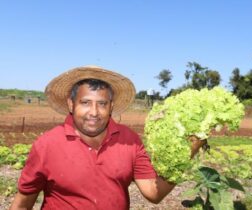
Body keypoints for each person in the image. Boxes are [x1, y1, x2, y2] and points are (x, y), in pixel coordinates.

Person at [10, 65, 175, 210]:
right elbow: (22, 204)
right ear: (71, 104)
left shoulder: (129, 140)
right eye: (85, 102)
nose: (94, 112)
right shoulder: (47, 145)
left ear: (111, 106)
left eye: (102, 104)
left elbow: (154, 193)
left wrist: (188, 151)